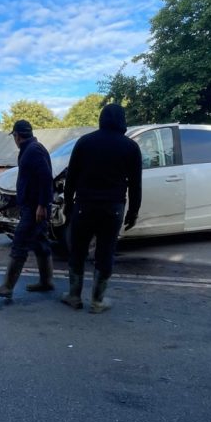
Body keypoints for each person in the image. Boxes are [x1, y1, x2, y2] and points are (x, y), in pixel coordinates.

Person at [61, 103, 142, 313]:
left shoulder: (85, 142)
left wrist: (68, 204)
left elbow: (71, 178)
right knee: (105, 252)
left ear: (101, 119)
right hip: (113, 208)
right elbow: (135, 184)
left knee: (78, 251)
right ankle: (97, 301)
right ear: (122, 120)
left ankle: (74, 296)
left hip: (84, 206)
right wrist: (133, 212)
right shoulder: (130, 147)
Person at [0, 119, 54, 300]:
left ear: (17, 135)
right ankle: (46, 281)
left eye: (14, 136)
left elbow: (46, 178)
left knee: (20, 242)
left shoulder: (33, 151)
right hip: (32, 206)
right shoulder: (31, 150)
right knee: (40, 243)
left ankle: (7, 286)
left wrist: (41, 205)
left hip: (34, 208)